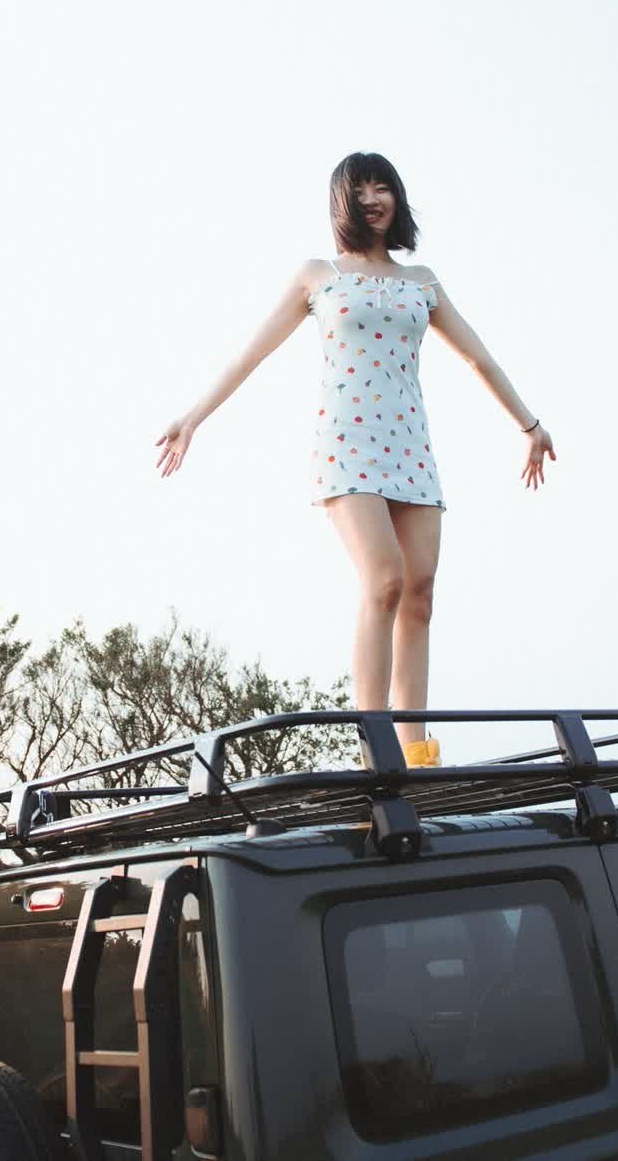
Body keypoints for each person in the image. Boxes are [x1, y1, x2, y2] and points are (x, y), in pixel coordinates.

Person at [153, 151, 556, 768]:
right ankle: (376, 750)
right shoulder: (319, 275)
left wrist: (529, 425)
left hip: (412, 447)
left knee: (420, 593)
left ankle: (417, 754)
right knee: (385, 579)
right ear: (341, 202)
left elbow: (480, 357)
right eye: (359, 189)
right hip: (348, 445)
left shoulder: (421, 281)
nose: (372, 198)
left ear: (397, 197)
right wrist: (192, 417)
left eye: (381, 187)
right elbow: (251, 353)